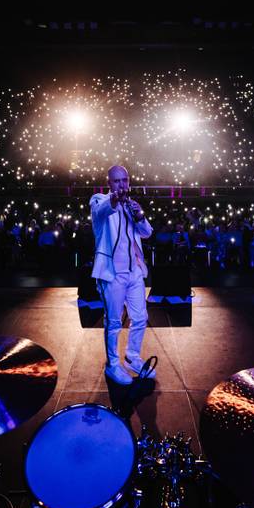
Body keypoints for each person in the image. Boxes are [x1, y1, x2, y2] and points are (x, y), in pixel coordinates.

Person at [90, 165, 155, 385]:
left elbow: (147, 233)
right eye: (116, 181)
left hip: (134, 271)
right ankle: (113, 365)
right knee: (114, 322)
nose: (121, 185)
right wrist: (114, 201)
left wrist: (139, 215)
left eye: (125, 180)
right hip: (112, 274)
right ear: (108, 183)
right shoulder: (98, 200)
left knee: (140, 318)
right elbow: (101, 212)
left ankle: (132, 357)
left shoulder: (131, 206)